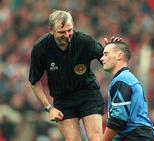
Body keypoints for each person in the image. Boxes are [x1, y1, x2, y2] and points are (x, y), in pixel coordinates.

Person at [29, 10, 107, 141]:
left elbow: (105, 59)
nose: (67, 35)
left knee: (96, 138)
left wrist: (113, 49)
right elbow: (34, 81)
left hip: (88, 94)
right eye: (62, 32)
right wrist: (49, 108)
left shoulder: (84, 41)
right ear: (51, 30)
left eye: (69, 30)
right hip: (63, 99)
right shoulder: (40, 48)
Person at [100, 39, 154, 141]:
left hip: (137, 136)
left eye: (106, 54)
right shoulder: (125, 78)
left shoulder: (123, 80)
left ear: (119, 56)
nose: (102, 58)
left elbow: (117, 120)